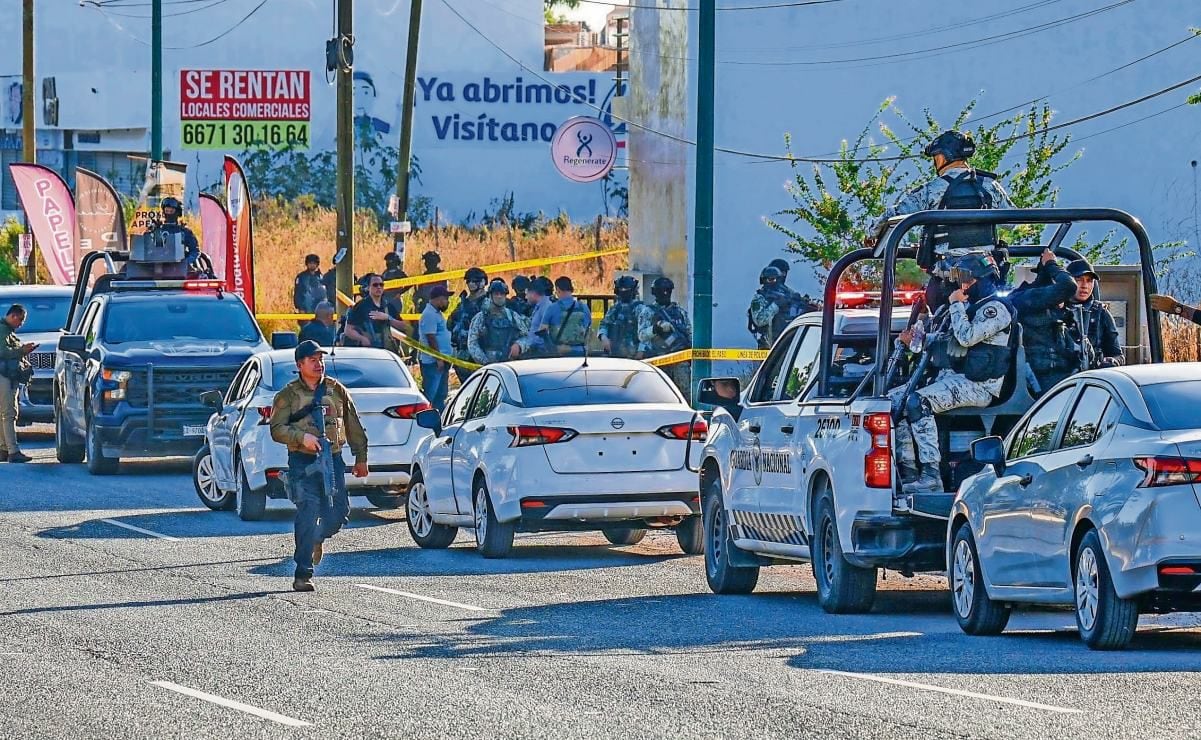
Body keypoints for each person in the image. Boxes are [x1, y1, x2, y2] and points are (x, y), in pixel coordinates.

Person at [890, 254, 1014, 494]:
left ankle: (931, 475)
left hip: (981, 385)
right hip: (959, 378)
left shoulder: (996, 309)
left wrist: (956, 304)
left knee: (919, 403)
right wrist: (916, 339)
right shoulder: (972, 306)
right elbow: (946, 338)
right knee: (895, 401)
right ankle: (909, 471)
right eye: (962, 281)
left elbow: (966, 337)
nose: (964, 286)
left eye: (968, 281)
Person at [866, 130, 1016, 308]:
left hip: (948, 281)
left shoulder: (933, 189)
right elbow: (1011, 222)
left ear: (944, 157)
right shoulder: (989, 185)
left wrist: (873, 232)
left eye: (936, 156)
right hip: (987, 278)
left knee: (938, 327)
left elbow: (896, 214)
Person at [269, 341, 369, 592]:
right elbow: (276, 429)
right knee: (308, 512)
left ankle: (315, 539)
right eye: (312, 360)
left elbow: (353, 424)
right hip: (302, 462)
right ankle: (303, 573)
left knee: (338, 513)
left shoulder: (336, 391)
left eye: (320, 359)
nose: (318, 363)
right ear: (299, 365)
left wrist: (361, 458)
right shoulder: (288, 395)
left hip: (332, 459)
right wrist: (302, 438)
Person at [1010, 248, 1080, 394]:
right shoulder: (1026, 299)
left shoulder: (1062, 313)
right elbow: (1068, 286)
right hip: (1040, 382)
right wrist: (1051, 264)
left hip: (1064, 378)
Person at [1065, 259, 1123, 369]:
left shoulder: (1101, 313)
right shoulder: (1057, 311)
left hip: (1092, 380)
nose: (1084, 285)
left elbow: (1118, 355)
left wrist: (1111, 361)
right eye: (1079, 279)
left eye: (1089, 281)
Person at [640, 276, 692, 392]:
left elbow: (689, 332)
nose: (665, 293)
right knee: (659, 393)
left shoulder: (679, 311)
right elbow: (642, 335)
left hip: (680, 360)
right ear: (655, 292)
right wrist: (656, 328)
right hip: (658, 359)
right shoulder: (648, 311)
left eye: (667, 290)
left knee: (684, 392)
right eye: (661, 291)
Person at [0, 304, 37, 463]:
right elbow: (2, 352)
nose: (21, 324)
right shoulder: (3, 331)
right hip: (4, 376)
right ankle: (13, 451)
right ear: (13, 316)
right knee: (9, 413)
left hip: (7, 376)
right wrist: (22, 351)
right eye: (20, 319)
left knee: (3, 413)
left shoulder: (8, 332)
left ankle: (4, 449)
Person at [467, 280, 531, 365]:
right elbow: (472, 343)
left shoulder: (513, 316)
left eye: (502, 294)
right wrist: (485, 362)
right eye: (496, 294)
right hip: (486, 366)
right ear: (490, 296)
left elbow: (526, 337)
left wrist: (519, 346)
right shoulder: (481, 318)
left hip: (509, 363)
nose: (499, 297)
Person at [343, 273, 403, 352]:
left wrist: (388, 318)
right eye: (375, 285)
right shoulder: (361, 306)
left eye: (381, 285)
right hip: (367, 351)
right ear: (368, 288)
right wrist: (362, 338)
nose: (378, 287)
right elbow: (348, 330)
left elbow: (403, 326)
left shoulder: (388, 306)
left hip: (386, 351)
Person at [448, 267, 488, 381]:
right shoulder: (463, 303)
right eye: (468, 281)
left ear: (483, 282)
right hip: (462, 354)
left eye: (474, 281)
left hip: (481, 355)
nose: (471, 284)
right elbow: (450, 324)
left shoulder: (489, 303)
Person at [417, 285, 453, 410]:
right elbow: (431, 338)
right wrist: (438, 359)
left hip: (441, 362)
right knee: (430, 395)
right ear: (438, 299)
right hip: (433, 363)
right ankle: (423, 419)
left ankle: (439, 420)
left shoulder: (436, 313)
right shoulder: (429, 314)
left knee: (440, 395)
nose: (447, 302)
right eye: (446, 299)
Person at [541, 276, 592, 357]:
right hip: (581, 352)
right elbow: (588, 330)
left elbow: (543, 331)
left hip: (560, 352)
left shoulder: (552, 308)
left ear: (558, 289)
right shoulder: (584, 307)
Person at [599, 275, 647, 359]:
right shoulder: (615, 308)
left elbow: (645, 332)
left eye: (626, 290)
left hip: (634, 354)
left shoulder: (640, 309)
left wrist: (641, 350)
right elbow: (604, 324)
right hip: (615, 353)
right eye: (621, 290)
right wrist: (604, 337)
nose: (623, 292)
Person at [747, 266, 787, 349]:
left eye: (776, 279)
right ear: (764, 280)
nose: (774, 282)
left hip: (787, 343)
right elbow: (759, 321)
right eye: (771, 279)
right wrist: (775, 305)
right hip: (768, 347)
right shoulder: (759, 298)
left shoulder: (786, 295)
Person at [157, 197, 201, 271]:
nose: (169, 213)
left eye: (171, 211)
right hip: (157, 268)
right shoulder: (157, 230)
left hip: (180, 269)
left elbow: (195, 251)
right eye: (167, 211)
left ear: (177, 212)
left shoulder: (185, 232)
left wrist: (184, 263)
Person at [523, 276, 555, 358]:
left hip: (541, 353)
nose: (526, 297)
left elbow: (544, 334)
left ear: (534, 293)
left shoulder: (546, 307)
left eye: (527, 293)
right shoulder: (540, 306)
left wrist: (527, 344)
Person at [411, 251, 446, 316]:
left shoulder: (442, 276)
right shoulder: (424, 277)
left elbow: (445, 295)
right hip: (425, 306)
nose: (428, 263)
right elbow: (420, 293)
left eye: (431, 261)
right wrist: (416, 297)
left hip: (437, 307)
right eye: (427, 261)